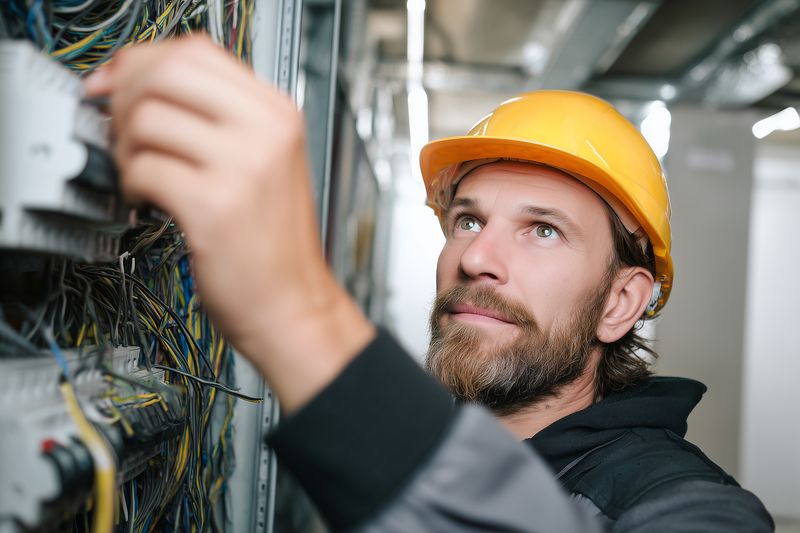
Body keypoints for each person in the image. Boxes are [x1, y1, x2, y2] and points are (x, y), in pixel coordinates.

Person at [84, 35, 774, 532]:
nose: (478, 259)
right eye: (469, 220)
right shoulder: (441, 435)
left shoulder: (681, 498)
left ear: (621, 301)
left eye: (543, 230)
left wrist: (294, 312)